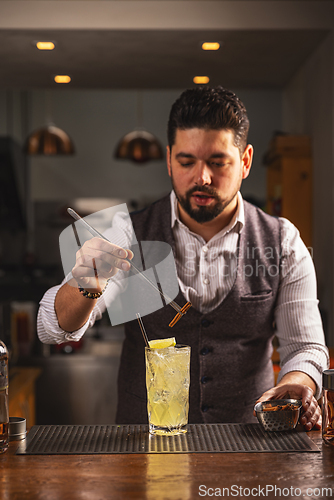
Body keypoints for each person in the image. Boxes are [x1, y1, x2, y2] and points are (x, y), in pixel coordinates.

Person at [38, 86, 328, 429]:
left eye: (218, 163)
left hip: (247, 446)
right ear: (169, 160)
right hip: (143, 447)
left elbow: (306, 347)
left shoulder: (282, 241)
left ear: (245, 161)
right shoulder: (128, 231)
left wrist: (296, 383)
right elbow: (52, 328)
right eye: (187, 162)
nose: (201, 178)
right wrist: (87, 284)